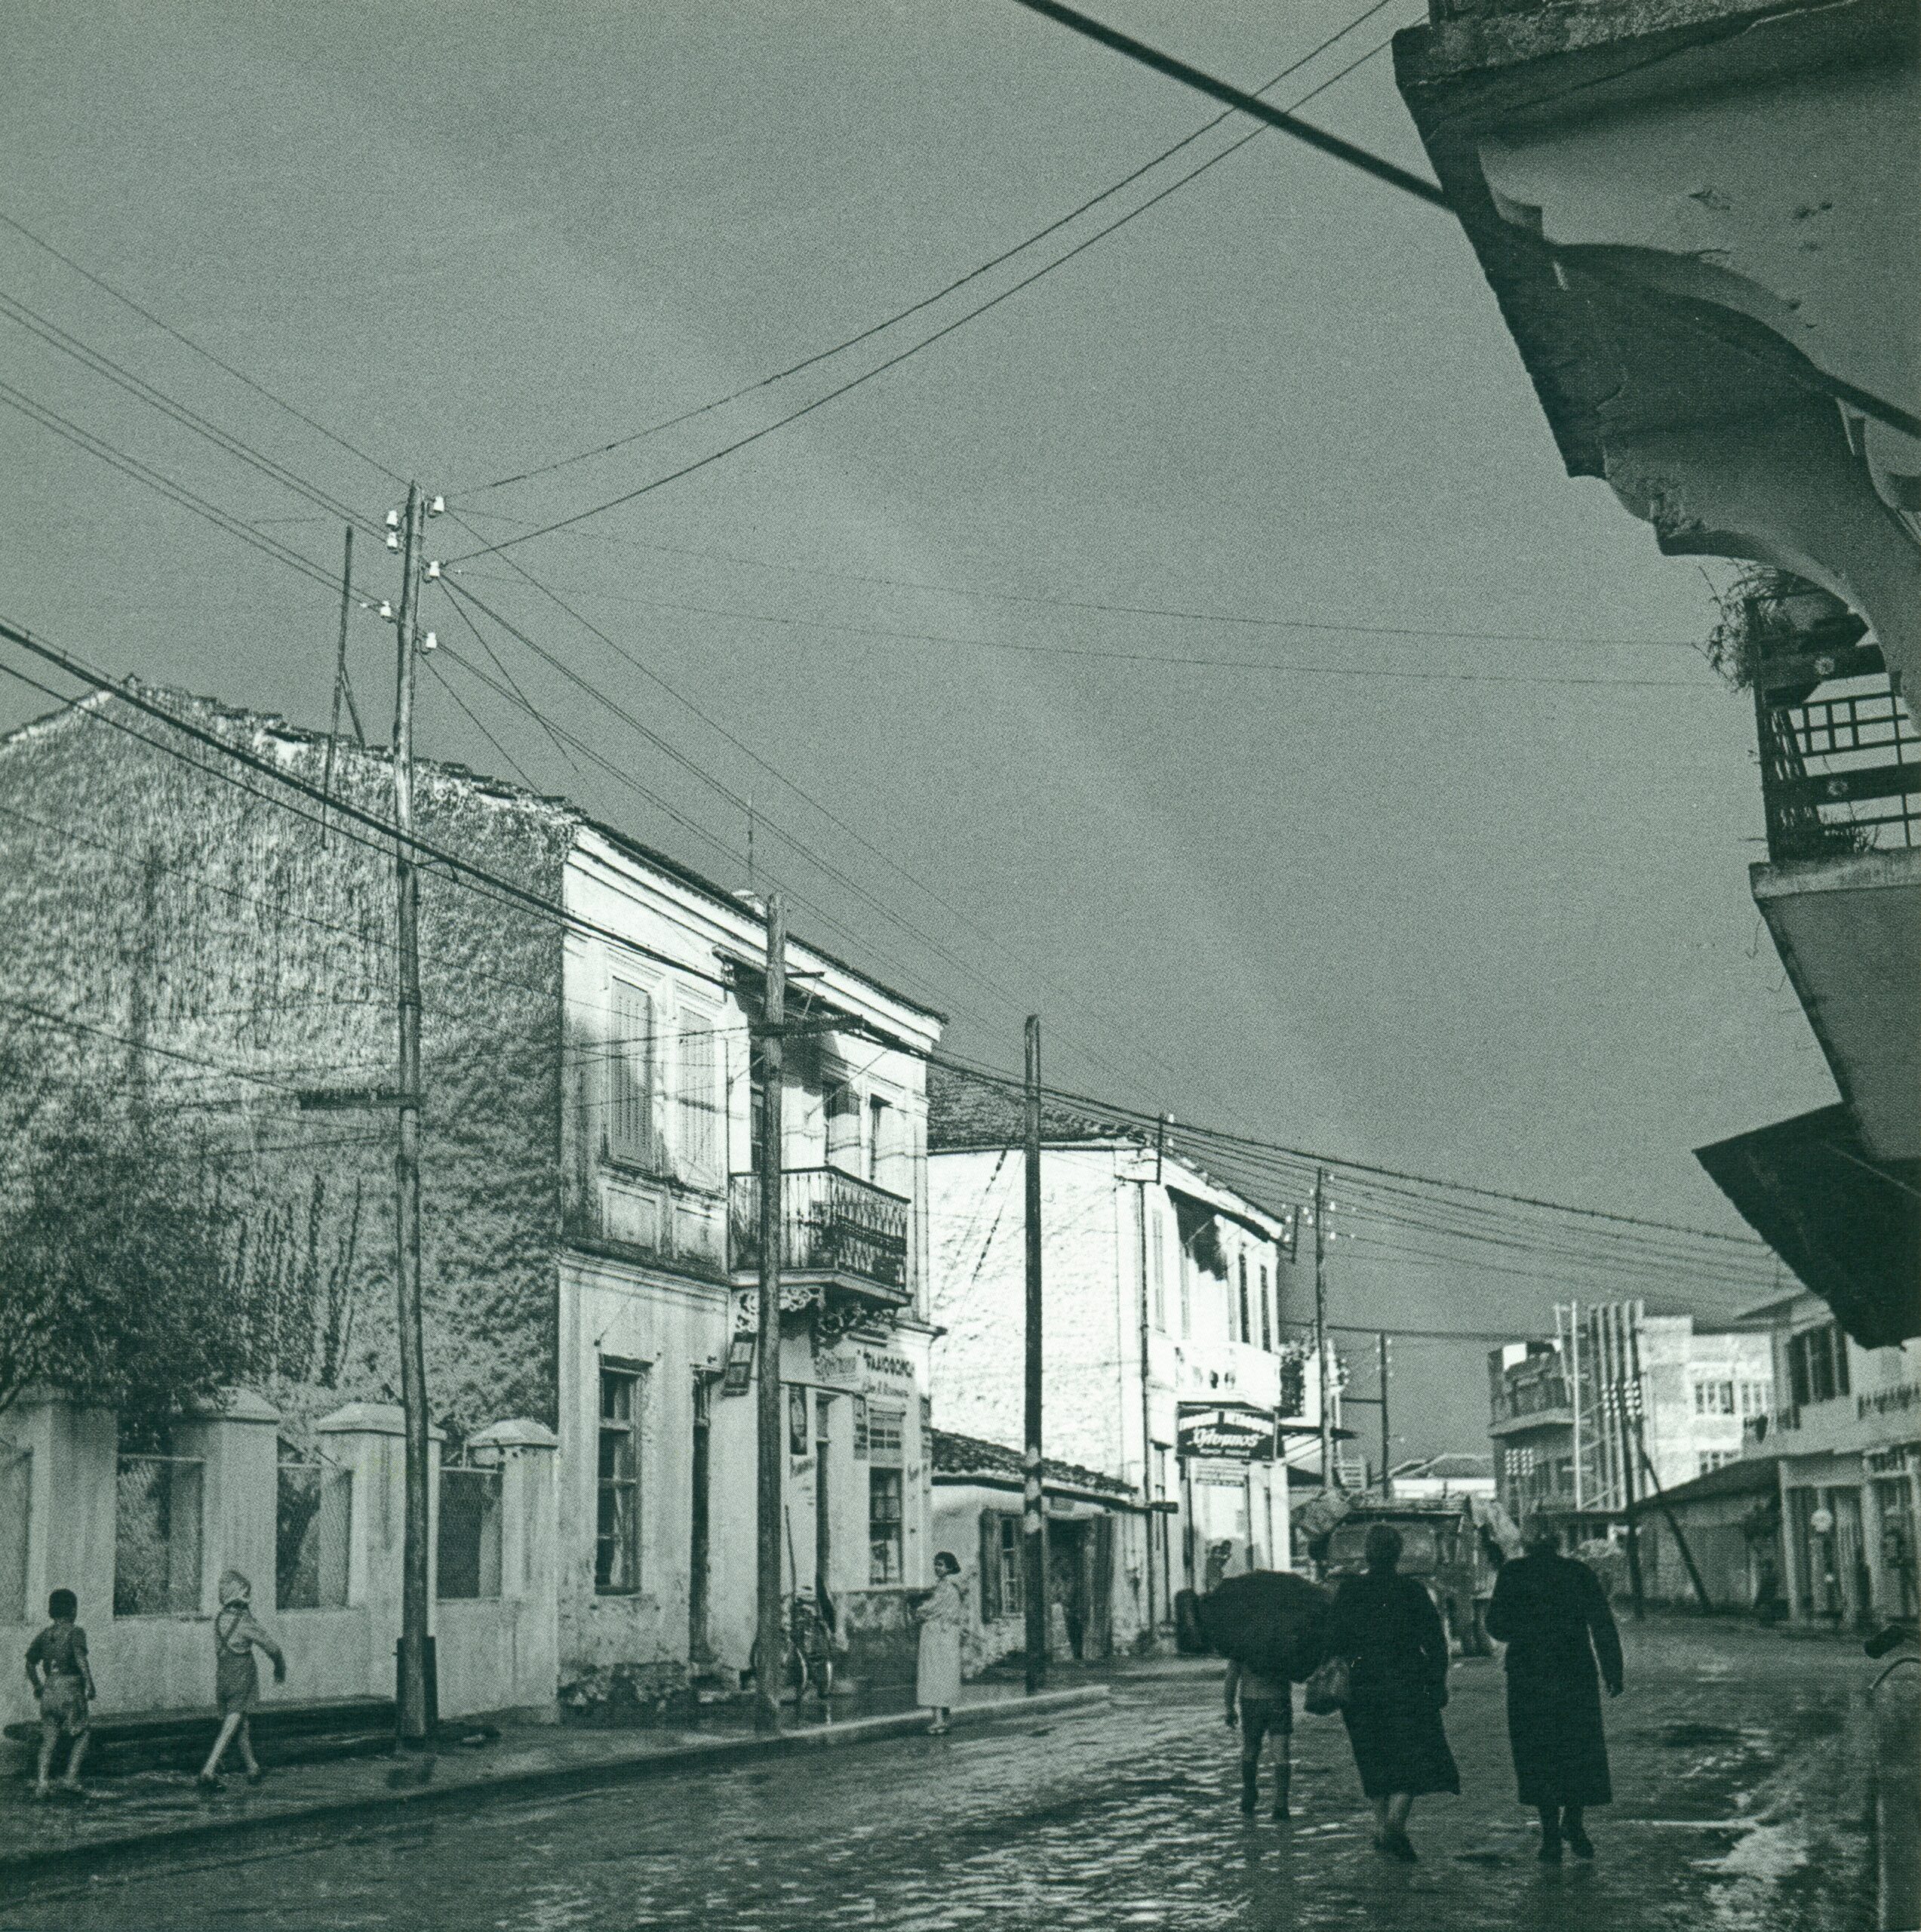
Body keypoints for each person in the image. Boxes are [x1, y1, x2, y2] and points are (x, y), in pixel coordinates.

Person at [1485, 1515, 1624, 1863]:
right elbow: (1602, 1624)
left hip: (1528, 1676)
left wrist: (1526, 1628)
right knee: (1578, 1749)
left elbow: (1496, 1626)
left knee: (1538, 1753)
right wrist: (1613, 1671)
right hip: (1575, 1673)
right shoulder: (1579, 1573)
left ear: (1526, 1541)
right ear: (1558, 1541)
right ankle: (1574, 1822)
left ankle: (1550, 1836)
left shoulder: (1513, 1574)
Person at [1323, 1521, 1458, 1861]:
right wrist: (1437, 1681)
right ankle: (1395, 1826)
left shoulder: (1350, 1591)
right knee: (1412, 1756)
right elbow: (1436, 1643)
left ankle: (1381, 1826)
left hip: (1362, 1688)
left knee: (1373, 1757)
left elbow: (1332, 1640)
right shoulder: (1412, 1592)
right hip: (1407, 1684)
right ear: (1398, 1554)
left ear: (1367, 1554)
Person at [198, 1571, 286, 1789]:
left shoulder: (221, 1618)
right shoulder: (244, 1622)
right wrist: (280, 1667)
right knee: (233, 1722)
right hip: (241, 1675)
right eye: (247, 1595)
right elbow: (273, 1648)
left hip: (223, 1675)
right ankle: (209, 1768)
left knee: (241, 1724)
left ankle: (252, 1767)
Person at [24, 1588, 95, 1801]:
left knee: (49, 1739)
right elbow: (80, 1658)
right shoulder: (76, 1632)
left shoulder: (45, 1635)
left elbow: (30, 1664)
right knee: (83, 1733)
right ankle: (70, 1778)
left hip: (49, 1689)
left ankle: (42, 1783)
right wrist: (89, 1684)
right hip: (70, 1689)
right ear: (73, 1610)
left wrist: (37, 1686)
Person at [1224, 1654, 1295, 1820]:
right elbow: (1298, 1669)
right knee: (1281, 1753)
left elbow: (1231, 1676)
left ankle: (1249, 1791)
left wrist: (1229, 1707)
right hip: (1279, 1698)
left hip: (1251, 1700)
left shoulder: (1242, 1642)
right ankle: (1281, 1803)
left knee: (1251, 1748)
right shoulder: (1282, 1640)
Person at [913, 1551, 965, 1736]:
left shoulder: (945, 1589)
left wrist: (918, 1610)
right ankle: (943, 1715)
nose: (937, 1568)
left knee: (934, 1674)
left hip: (937, 1635)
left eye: (941, 1564)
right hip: (945, 1635)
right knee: (943, 1673)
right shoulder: (950, 1588)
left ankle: (939, 1720)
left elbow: (930, 1608)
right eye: (935, 1564)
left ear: (949, 1567)